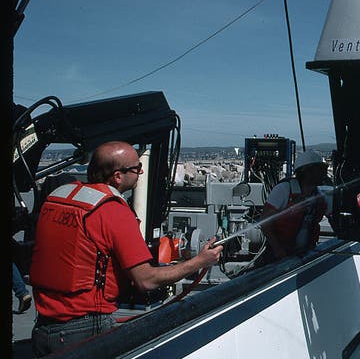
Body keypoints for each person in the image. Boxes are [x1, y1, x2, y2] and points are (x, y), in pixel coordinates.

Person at [29, 141, 223, 356]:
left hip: (44, 328)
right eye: (136, 168)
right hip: (85, 330)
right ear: (117, 176)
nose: (140, 172)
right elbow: (146, 280)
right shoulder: (111, 209)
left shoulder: (58, 198)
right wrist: (200, 261)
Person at [260, 150, 330, 261]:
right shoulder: (284, 190)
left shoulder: (319, 196)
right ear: (307, 172)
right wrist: (279, 251)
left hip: (304, 253)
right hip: (279, 255)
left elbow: (332, 216)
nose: (324, 174)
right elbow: (265, 222)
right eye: (320, 170)